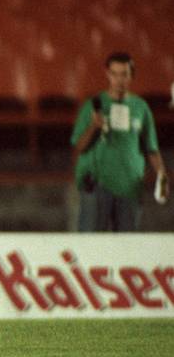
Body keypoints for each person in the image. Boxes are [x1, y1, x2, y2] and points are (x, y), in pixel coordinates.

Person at [72, 52, 168, 231]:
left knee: (127, 244)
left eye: (124, 74)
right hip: (98, 185)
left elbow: (151, 147)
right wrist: (94, 126)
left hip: (130, 186)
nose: (119, 80)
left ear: (131, 75)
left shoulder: (141, 107)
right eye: (114, 74)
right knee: (91, 243)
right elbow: (79, 146)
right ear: (107, 74)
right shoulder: (93, 105)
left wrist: (162, 174)